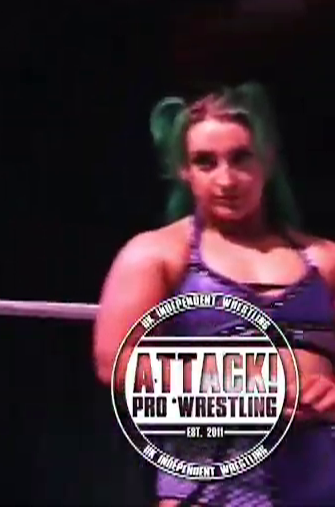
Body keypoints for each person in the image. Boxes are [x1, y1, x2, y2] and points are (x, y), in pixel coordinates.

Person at [93, 84, 335, 506]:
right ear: (183, 170)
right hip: (210, 489)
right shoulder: (157, 254)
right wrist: (246, 390)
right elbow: (115, 360)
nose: (226, 180)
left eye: (241, 157)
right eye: (205, 162)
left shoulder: (324, 259)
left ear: (268, 159)